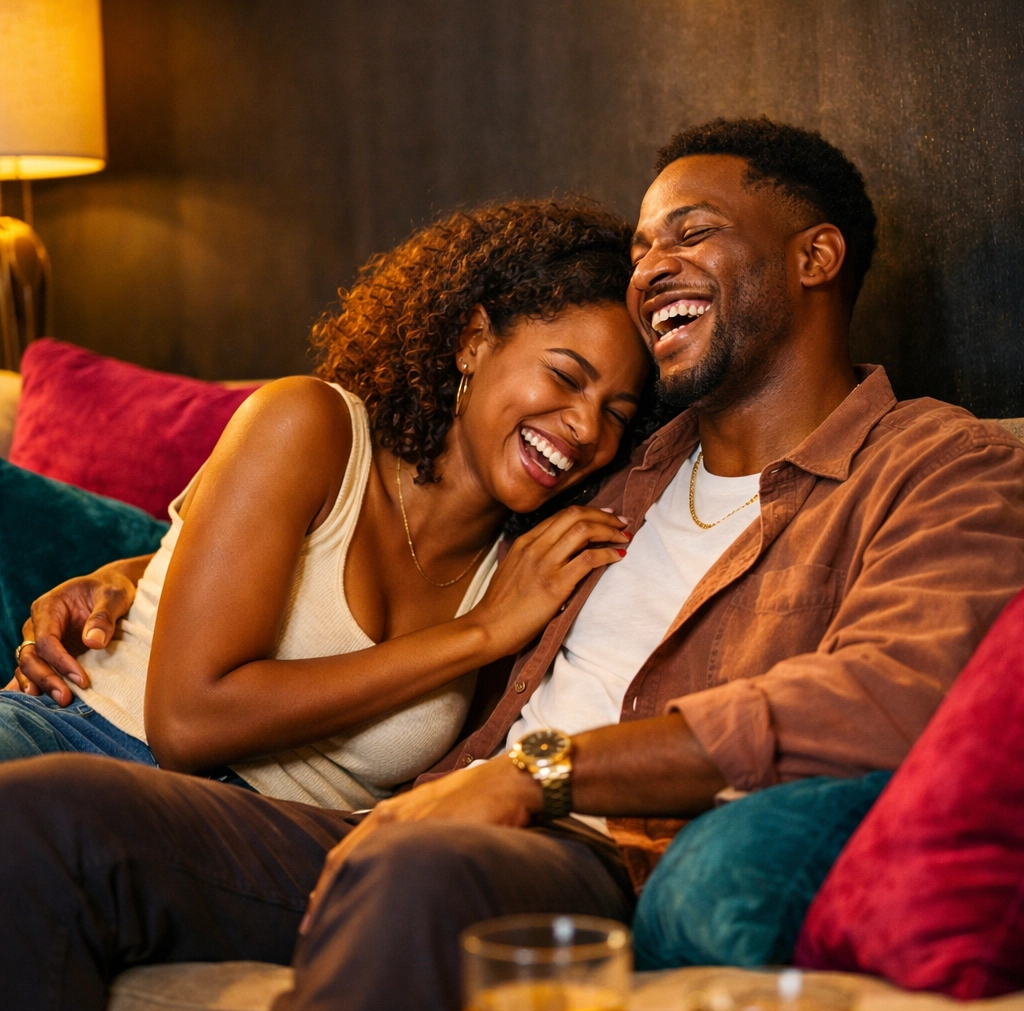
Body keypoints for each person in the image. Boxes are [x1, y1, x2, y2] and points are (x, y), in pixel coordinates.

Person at [4, 117, 1024, 1011]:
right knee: (47, 815)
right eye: (641, 246)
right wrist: (134, 568)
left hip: (585, 846)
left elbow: (893, 692)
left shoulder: (944, 468)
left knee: (416, 869)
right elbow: (378, 532)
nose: (651, 265)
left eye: (691, 230)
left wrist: (538, 773)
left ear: (815, 254)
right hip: (404, 815)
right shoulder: (616, 474)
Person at [0, 197, 656, 809]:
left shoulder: (530, 571)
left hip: (250, 854)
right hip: (79, 738)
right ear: (473, 341)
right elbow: (187, 724)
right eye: (566, 377)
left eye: (617, 416)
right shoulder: (310, 426)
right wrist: (478, 634)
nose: (586, 428)